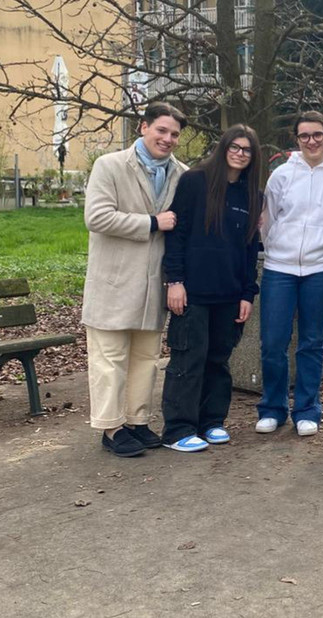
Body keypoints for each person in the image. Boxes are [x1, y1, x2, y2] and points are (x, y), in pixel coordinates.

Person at [82, 102, 188, 457]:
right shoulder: (109, 165)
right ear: (144, 127)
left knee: (147, 356)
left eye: (174, 134)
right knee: (109, 358)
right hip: (113, 280)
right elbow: (97, 217)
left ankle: (136, 421)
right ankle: (111, 427)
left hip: (154, 283)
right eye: (162, 130)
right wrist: (152, 222)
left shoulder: (181, 174)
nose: (168, 138)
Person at [160, 125, 262, 452]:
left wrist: (247, 293)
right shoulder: (194, 182)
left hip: (229, 293)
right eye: (235, 147)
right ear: (223, 147)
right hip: (192, 290)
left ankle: (212, 421)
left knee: (218, 360)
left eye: (247, 150)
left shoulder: (252, 195)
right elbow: (176, 234)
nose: (240, 154)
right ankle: (178, 429)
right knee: (188, 359)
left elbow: (250, 249)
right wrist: (175, 281)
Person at [256, 111, 323, 437]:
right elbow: (269, 221)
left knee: (311, 342)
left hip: (320, 269)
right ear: (296, 139)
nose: (312, 141)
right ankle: (273, 408)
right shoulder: (282, 175)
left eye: (317, 135)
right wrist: (278, 249)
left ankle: (307, 410)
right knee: (273, 342)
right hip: (279, 268)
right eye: (305, 136)